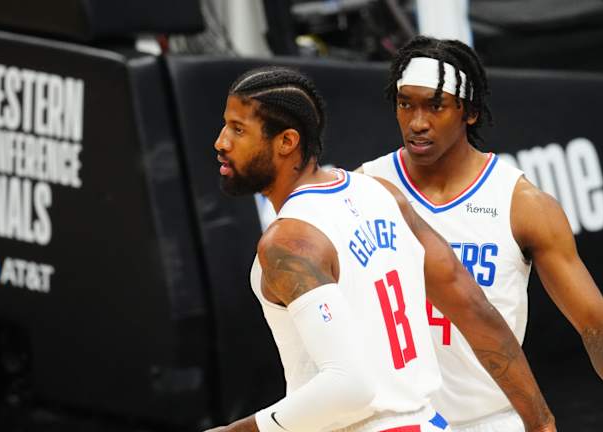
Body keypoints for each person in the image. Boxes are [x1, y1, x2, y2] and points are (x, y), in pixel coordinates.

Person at [204, 67, 556, 432]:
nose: (221, 142)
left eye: (238, 129)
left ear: (287, 141)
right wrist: (542, 422)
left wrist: (238, 430)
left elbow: (349, 388)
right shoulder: (381, 194)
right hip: (429, 423)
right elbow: (474, 308)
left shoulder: (288, 241)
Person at [358, 36, 603, 432]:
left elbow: (595, 323)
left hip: (491, 420)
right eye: (405, 104)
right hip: (396, 419)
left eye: (435, 105)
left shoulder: (522, 204)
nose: (417, 122)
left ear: (470, 112)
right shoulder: (365, 189)